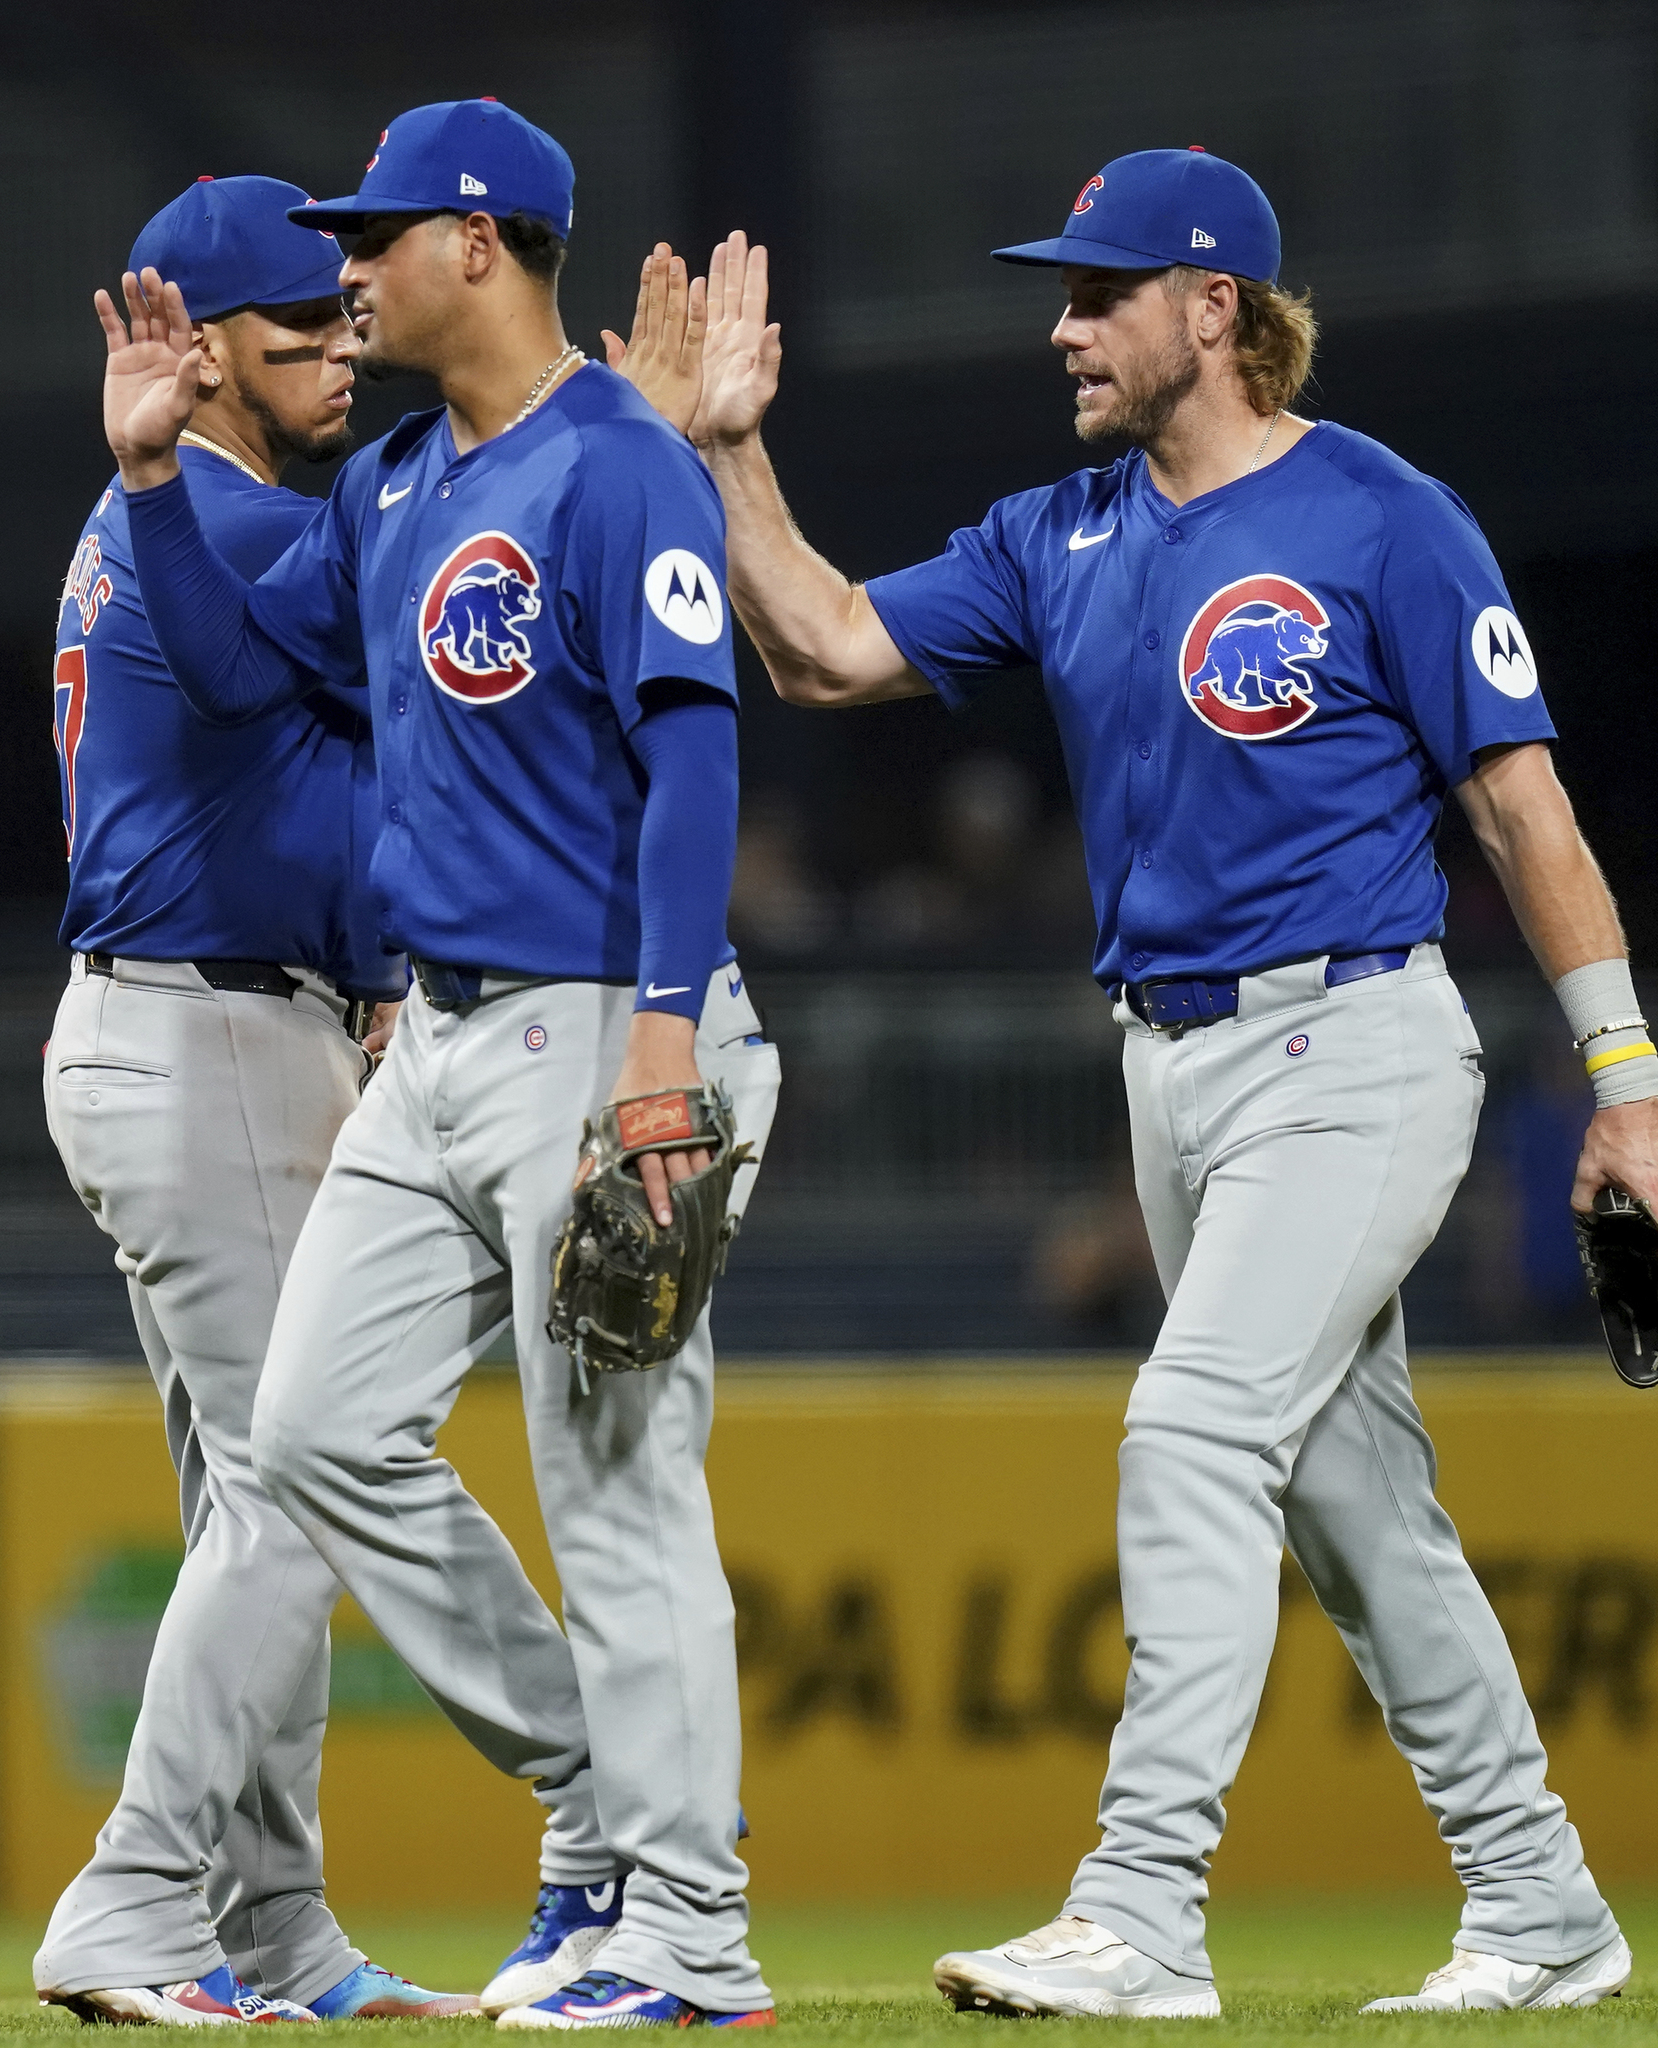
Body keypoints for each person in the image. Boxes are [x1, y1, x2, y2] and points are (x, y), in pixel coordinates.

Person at [682, 146, 1651, 2017]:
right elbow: (821, 647)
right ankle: (1542, 1907)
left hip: (1356, 1042)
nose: (1063, 325)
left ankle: (1141, 1906)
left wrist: (1629, 1079)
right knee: (1363, 1513)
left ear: (1215, 309)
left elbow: (1522, 807)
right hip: (1171, 1072)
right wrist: (732, 454)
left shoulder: (1385, 517)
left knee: (1192, 1429)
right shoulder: (1063, 535)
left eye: (1098, 291)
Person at [101, 100, 781, 2029]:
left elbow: (694, 756)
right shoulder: (397, 486)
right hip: (435, 1033)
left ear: (477, 244)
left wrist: (663, 1054)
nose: (350, 268)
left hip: (597, 1021)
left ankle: (690, 1934)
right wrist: (154, 482)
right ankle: (597, 1811)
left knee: (621, 1480)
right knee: (313, 1436)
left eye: (379, 235)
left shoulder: (618, 465)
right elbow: (241, 673)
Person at [31, 173, 476, 2027]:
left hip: (202, 1026)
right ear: (199, 355)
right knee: (300, 1496)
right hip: (207, 1037)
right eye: (304, 334)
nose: (344, 357)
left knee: (257, 1512)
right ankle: (132, 1908)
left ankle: (276, 1939)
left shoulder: (202, 516)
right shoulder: (235, 524)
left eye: (351, 322)